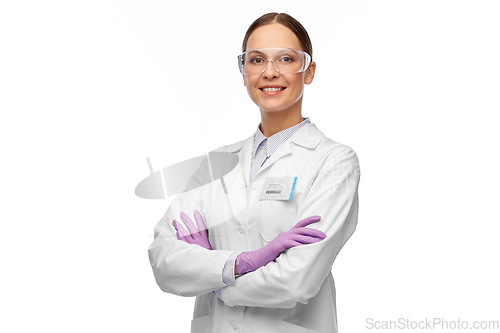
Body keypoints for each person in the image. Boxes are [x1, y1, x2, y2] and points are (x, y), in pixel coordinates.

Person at [148, 12, 361, 333]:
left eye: (286, 59)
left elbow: (297, 281)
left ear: (309, 71)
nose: (269, 72)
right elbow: (164, 259)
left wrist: (213, 276)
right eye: (257, 60)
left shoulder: (334, 161)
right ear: (244, 72)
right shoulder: (216, 164)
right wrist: (246, 261)